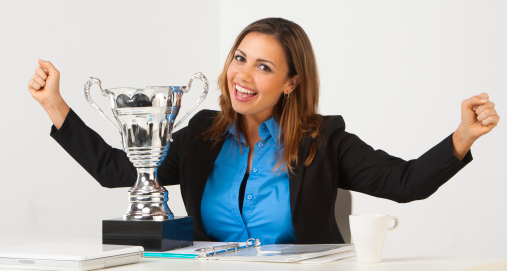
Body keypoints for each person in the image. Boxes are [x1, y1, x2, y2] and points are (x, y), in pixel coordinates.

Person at [28, 18, 499, 245]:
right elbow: (120, 171)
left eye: (264, 66)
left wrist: (463, 135)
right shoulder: (200, 136)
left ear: (291, 82)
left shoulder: (324, 141)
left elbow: (405, 183)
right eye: (239, 58)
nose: (243, 76)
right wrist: (55, 105)